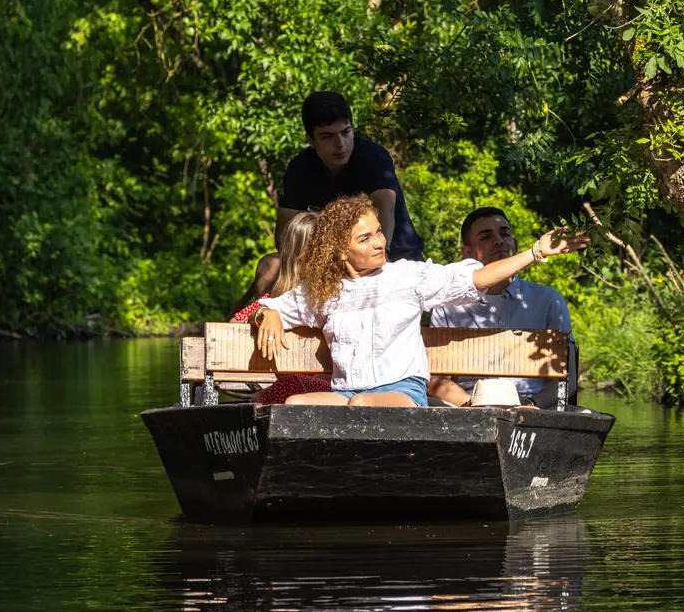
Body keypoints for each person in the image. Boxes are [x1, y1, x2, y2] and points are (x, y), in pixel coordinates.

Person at [251, 194, 587, 407]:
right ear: (341, 251)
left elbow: (478, 277)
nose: (379, 242)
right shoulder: (324, 291)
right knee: (295, 404)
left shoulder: (407, 277)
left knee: (362, 407)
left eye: (379, 232)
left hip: (402, 392)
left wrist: (535, 252)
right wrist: (268, 315)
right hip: (347, 393)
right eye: (365, 238)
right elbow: (268, 307)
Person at [428, 207, 572, 407]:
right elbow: (435, 380)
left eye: (505, 234)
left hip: (536, 410)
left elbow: (567, 379)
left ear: (515, 244)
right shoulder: (448, 307)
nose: (499, 240)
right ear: (467, 252)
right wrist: (472, 405)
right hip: (466, 409)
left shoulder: (549, 301)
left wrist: (531, 405)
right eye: (486, 237)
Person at [274, 91, 423, 267]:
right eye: (327, 136)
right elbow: (285, 237)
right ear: (311, 140)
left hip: (397, 257)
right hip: (334, 264)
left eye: (346, 132)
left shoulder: (373, 156)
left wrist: (384, 254)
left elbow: (385, 207)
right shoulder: (299, 168)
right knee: (268, 267)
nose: (340, 144)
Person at [231, 212, 331, 403]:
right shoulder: (278, 300)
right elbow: (232, 326)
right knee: (293, 385)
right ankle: (261, 401)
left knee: (293, 385)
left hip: (332, 391)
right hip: (295, 393)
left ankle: (259, 399)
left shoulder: (334, 295)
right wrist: (264, 314)